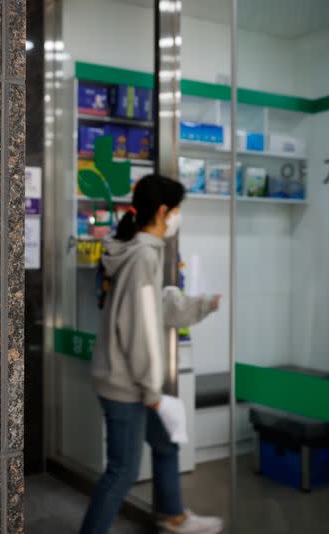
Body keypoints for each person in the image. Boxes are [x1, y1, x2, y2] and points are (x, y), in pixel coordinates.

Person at [80, 175, 223, 534]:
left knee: (165, 441)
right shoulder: (143, 255)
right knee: (122, 472)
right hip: (126, 383)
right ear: (162, 212)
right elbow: (140, 329)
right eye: (176, 210)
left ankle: (172, 515)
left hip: (127, 376)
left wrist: (202, 304)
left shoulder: (137, 250)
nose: (177, 217)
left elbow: (153, 309)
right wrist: (152, 390)